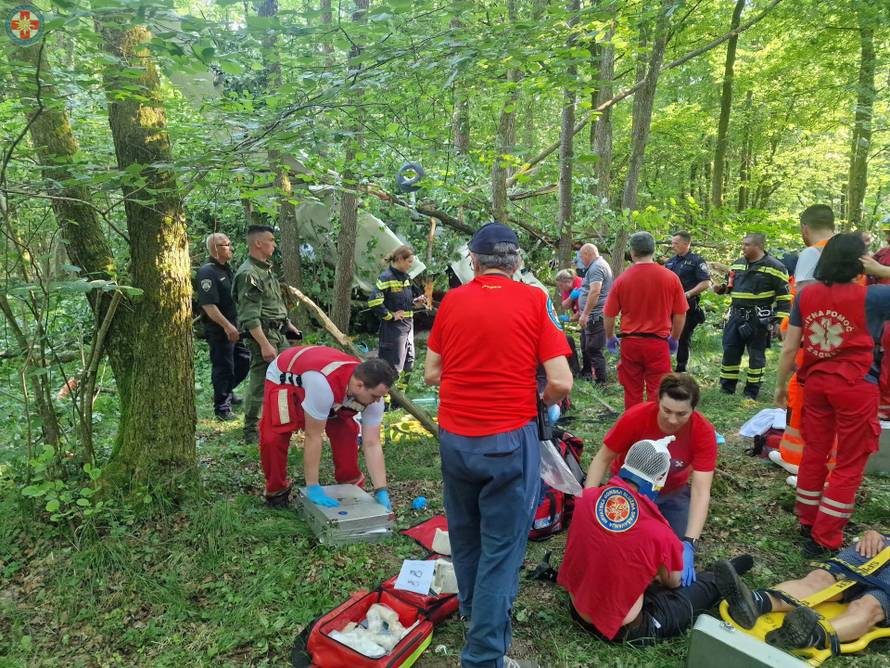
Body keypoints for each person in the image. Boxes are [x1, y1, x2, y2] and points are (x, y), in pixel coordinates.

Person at [424, 222, 572, 668]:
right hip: (509, 440)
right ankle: (485, 657)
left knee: (466, 537)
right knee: (502, 551)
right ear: (516, 262)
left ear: (474, 261)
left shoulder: (452, 301)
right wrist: (537, 402)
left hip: (455, 439)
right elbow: (561, 380)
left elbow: (432, 373)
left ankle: (474, 613)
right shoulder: (533, 300)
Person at [558, 437, 753, 644]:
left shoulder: (587, 498)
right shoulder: (658, 531)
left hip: (577, 611)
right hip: (622, 630)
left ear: (626, 464)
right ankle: (734, 568)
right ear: (659, 479)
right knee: (698, 589)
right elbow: (673, 581)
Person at [775, 233, 890, 555]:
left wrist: (781, 385)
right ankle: (825, 537)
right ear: (860, 261)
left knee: (814, 453)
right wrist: (882, 272)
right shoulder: (874, 297)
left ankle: (808, 521)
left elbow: (789, 347)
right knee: (850, 463)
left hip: (815, 384)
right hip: (855, 385)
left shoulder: (806, 295)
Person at [585, 374, 717, 577]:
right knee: (616, 548)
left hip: (673, 493)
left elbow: (701, 490)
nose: (673, 420)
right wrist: (589, 499)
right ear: (658, 402)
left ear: (693, 409)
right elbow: (603, 458)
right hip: (630, 489)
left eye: (682, 414)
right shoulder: (636, 417)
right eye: (667, 410)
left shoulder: (703, 431)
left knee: (674, 566)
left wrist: (690, 542)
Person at [259, 345, 398, 509]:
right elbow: (313, 436)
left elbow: (372, 443)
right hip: (285, 377)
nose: (377, 401)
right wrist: (313, 486)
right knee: (274, 437)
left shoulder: (372, 394)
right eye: (375, 396)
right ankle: (277, 491)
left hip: (331, 385)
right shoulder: (322, 386)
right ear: (360, 386)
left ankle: (350, 484)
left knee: (346, 431)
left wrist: (381, 489)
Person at [726, 530, 889, 654]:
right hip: (882, 546)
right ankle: (753, 602)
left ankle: (810, 635)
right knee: (821, 579)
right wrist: (873, 533)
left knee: (869, 605)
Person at [772, 206, 836, 481]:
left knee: (808, 405)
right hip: (841, 338)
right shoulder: (853, 255)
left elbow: (806, 302)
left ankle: (809, 469)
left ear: (805, 228)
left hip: (814, 342)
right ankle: (804, 462)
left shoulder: (812, 254)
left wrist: (789, 331)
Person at [233, 225, 302, 443]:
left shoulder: (264, 269)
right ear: (258, 243)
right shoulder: (249, 274)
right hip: (263, 335)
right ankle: (251, 431)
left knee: (287, 377)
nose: (274, 244)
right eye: (271, 240)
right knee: (259, 381)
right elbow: (250, 315)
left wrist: (287, 324)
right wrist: (264, 344)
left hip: (278, 332)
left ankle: (283, 421)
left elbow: (273, 303)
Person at [604, 231, 687, 409]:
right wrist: (675, 338)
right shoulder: (670, 278)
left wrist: (610, 337)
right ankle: (654, 430)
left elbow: (609, 314)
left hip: (631, 343)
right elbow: (680, 314)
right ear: (653, 250)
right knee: (657, 391)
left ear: (632, 252)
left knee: (632, 390)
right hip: (658, 344)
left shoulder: (622, 280)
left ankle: (634, 428)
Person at [715, 233, 791, 400]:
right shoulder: (737, 265)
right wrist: (722, 289)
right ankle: (727, 388)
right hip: (735, 316)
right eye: (743, 244)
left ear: (759, 246)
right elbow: (731, 286)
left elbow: (785, 299)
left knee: (756, 355)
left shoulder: (775, 267)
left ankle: (751, 391)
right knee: (730, 350)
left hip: (759, 319)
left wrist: (780, 322)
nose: (743, 247)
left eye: (747, 244)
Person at [196, 232, 251, 421]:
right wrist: (227, 326)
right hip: (220, 330)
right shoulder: (207, 272)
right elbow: (208, 305)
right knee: (224, 367)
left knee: (244, 362)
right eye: (226, 244)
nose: (231, 247)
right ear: (215, 248)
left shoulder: (227, 269)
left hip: (237, 327)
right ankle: (222, 408)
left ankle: (226, 391)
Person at [368, 245, 426, 377]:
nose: (411, 265)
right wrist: (390, 316)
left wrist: (415, 302)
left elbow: (401, 302)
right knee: (394, 365)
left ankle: (400, 396)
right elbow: (374, 301)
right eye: (409, 261)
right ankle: (388, 396)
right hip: (393, 329)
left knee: (408, 362)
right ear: (399, 259)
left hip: (408, 326)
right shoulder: (386, 277)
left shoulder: (405, 277)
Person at [665, 231, 710, 373]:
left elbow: (706, 283)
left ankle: (681, 369)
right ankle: (663, 367)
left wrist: (688, 294)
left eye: (676, 243)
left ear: (686, 243)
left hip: (687, 307)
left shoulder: (697, 261)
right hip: (668, 306)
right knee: (664, 334)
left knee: (683, 337)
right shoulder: (670, 262)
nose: (672, 246)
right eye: (672, 243)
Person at [573, 243, 613, 385]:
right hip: (590, 315)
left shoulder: (597, 267)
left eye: (581, 256)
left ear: (587, 254)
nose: (581, 260)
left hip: (596, 315)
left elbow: (595, 291)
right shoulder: (594, 267)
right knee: (585, 346)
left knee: (594, 349)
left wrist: (586, 314)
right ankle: (587, 373)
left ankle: (601, 382)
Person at [555, 269, 583, 377]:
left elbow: (582, 311)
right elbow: (565, 305)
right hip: (580, 318)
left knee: (588, 347)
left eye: (561, 286)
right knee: (580, 342)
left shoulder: (580, 286)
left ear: (567, 282)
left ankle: (584, 373)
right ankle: (579, 372)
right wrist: (571, 297)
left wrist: (570, 319)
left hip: (589, 317)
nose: (561, 289)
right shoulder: (568, 288)